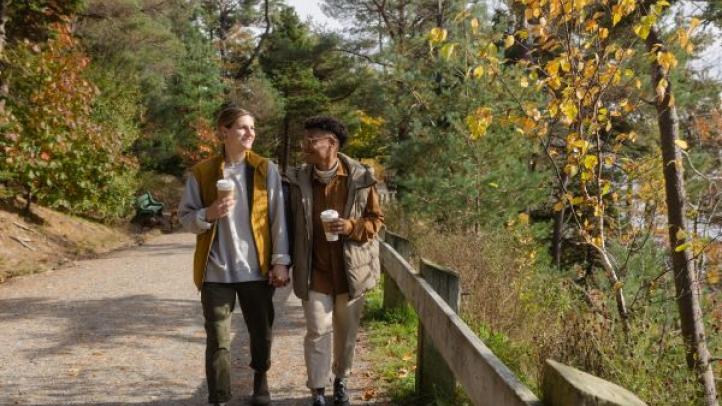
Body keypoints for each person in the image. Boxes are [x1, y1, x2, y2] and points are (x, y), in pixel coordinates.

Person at [178, 105, 290, 406]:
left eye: (252, 127)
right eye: (242, 127)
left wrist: (280, 261)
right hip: (215, 272)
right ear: (224, 131)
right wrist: (209, 213)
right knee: (218, 340)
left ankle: (260, 379)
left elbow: (278, 219)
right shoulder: (202, 172)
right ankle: (219, 397)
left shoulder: (265, 169)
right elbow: (186, 218)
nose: (250, 133)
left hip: (256, 270)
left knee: (261, 332)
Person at [285, 116, 384, 406]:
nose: (305, 145)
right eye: (305, 139)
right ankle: (317, 390)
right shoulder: (297, 179)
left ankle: (341, 379)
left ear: (332, 144)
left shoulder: (361, 178)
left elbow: (376, 220)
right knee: (317, 329)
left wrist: (351, 227)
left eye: (312, 139)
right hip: (314, 270)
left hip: (351, 271)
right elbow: (286, 224)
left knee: (346, 331)